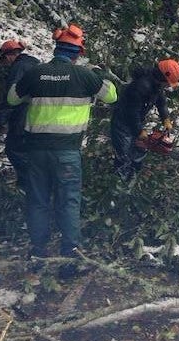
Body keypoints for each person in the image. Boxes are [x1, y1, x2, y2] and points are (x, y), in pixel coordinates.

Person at [6, 23, 117, 261]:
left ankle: (38, 251)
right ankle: (69, 253)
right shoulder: (85, 76)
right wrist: (99, 73)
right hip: (67, 152)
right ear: (78, 53)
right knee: (68, 201)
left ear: (56, 48)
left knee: (37, 200)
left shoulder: (35, 73)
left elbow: (12, 99)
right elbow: (112, 95)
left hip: (35, 151)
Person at [110, 59, 179, 181]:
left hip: (136, 121)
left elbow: (161, 102)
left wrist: (166, 119)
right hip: (122, 122)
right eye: (167, 83)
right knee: (124, 154)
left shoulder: (156, 86)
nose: (167, 86)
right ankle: (118, 183)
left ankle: (132, 178)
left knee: (139, 149)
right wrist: (139, 131)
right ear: (162, 78)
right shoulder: (141, 87)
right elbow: (132, 112)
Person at [0, 39, 40, 189]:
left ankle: (28, 184)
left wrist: (1, 117)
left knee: (13, 148)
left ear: (9, 56)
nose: (6, 64)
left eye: (5, 60)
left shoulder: (19, 68)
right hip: (39, 114)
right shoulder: (35, 65)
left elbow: (12, 95)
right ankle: (32, 182)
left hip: (23, 112)